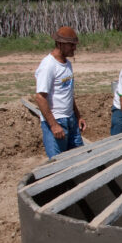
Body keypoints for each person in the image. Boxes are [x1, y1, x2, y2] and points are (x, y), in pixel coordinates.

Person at [34, 26, 86, 159]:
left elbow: (68, 93)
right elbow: (40, 97)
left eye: (75, 45)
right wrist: (54, 125)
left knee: (79, 158)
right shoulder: (48, 65)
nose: (74, 48)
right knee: (59, 163)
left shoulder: (67, 64)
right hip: (57, 120)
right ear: (60, 44)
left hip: (71, 119)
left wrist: (78, 116)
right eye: (71, 45)